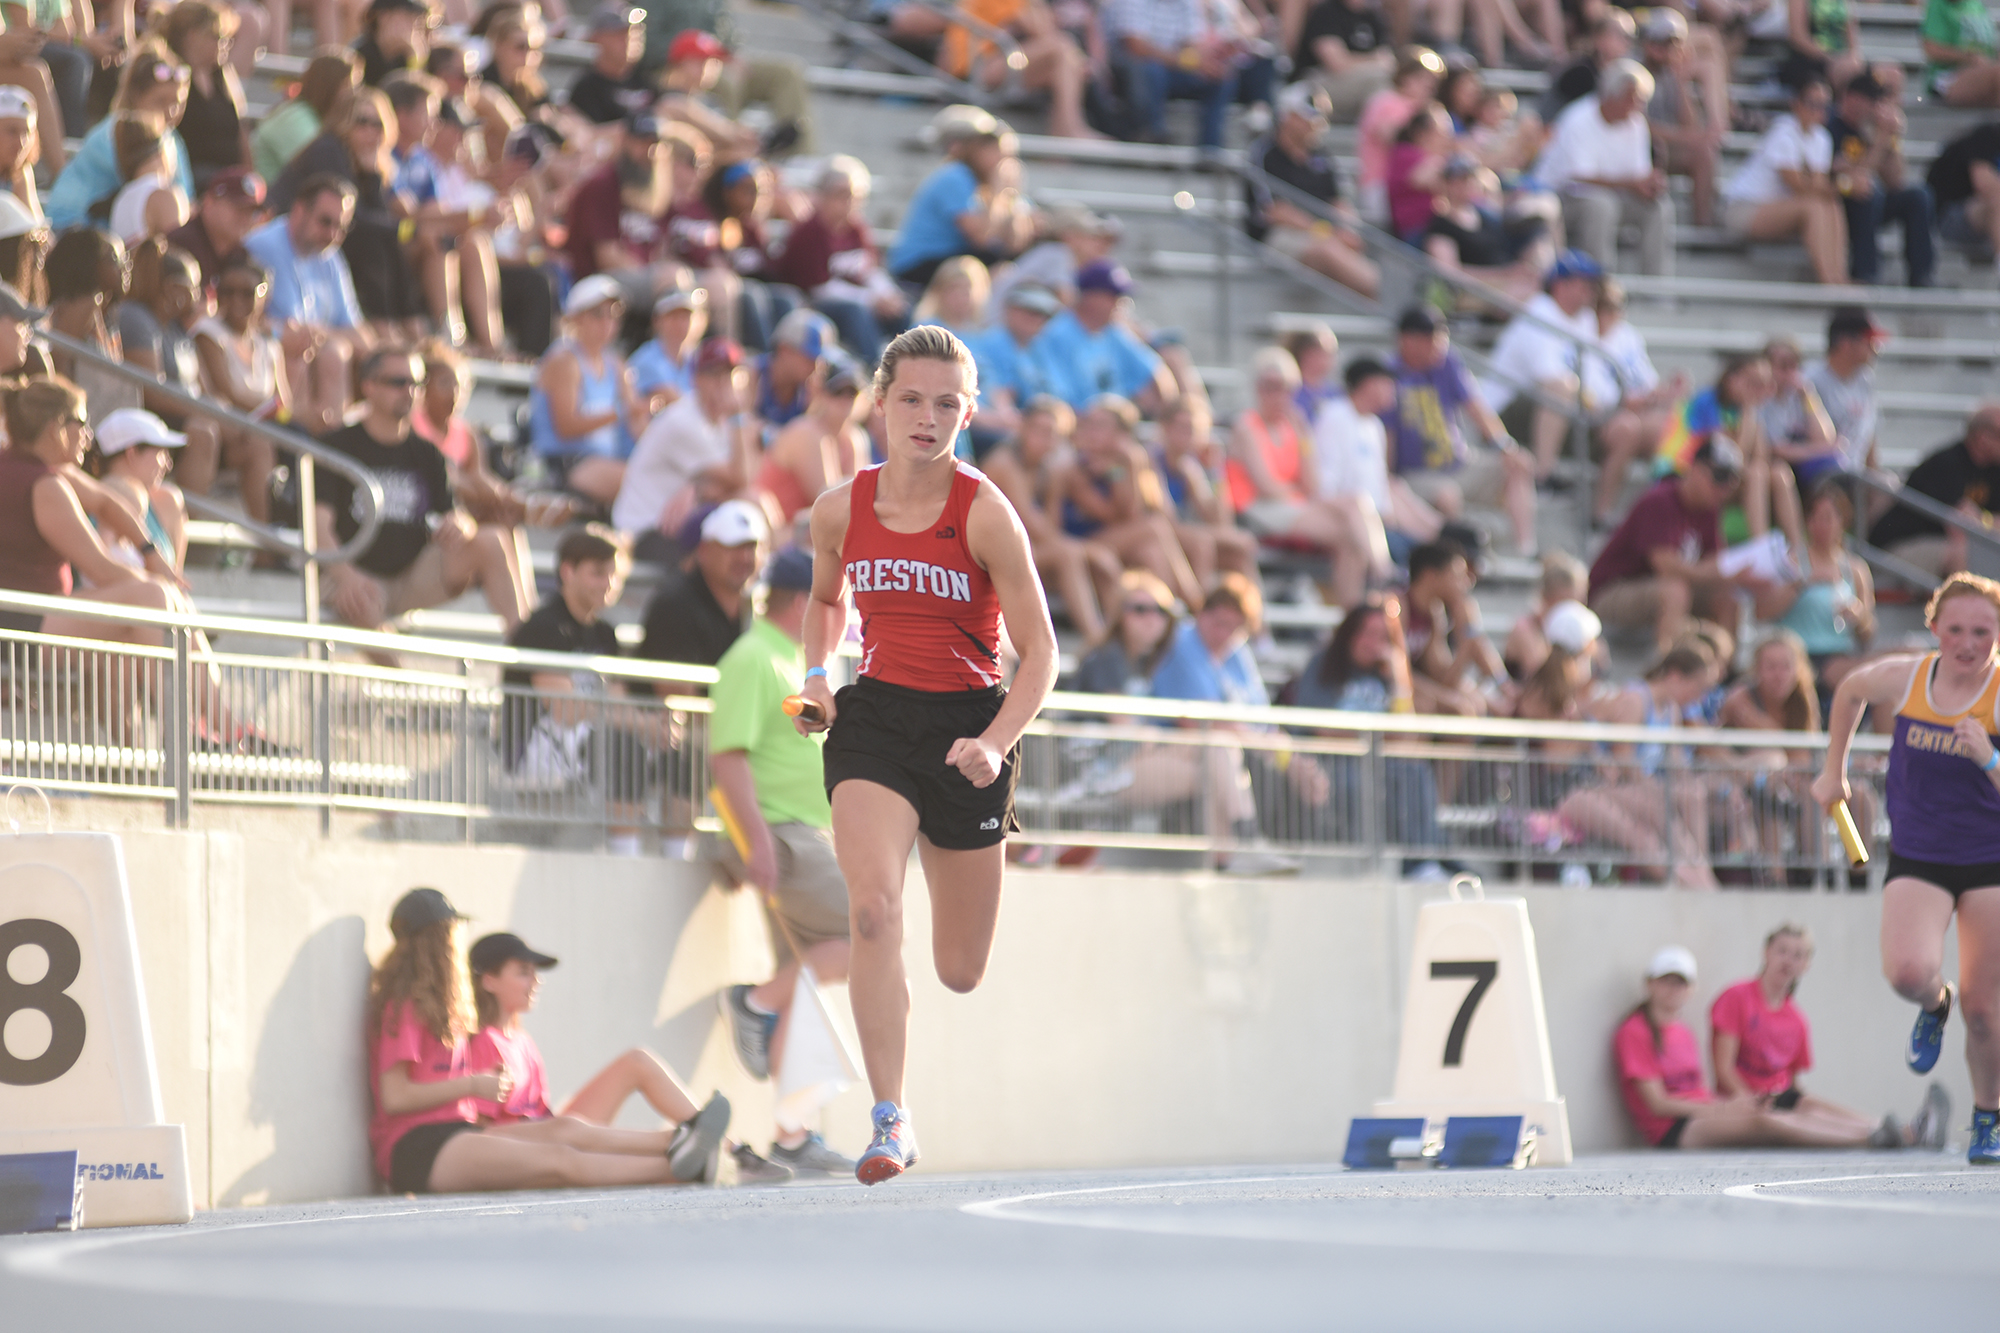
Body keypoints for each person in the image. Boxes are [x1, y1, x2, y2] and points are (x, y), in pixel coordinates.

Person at [791, 325, 1059, 1184]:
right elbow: (826, 601)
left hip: (969, 729)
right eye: (911, 398)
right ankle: (889, 1116)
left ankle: (897, 1100)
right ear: (881, 402)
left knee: (960, 968)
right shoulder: (839, 507)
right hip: (875, 722)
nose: (927, 416)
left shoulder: (984, 512)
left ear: (969, 413)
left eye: (947, 403)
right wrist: (816, 677)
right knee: (872, 910)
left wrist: (994, 741)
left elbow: (1042, 652)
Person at [365, 886, 733, 1194]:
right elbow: (396, 1096)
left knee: (567, 1130)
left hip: (457, 1133)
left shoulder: (450, 1014)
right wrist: (475, 1084)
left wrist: (479, 1085)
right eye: (450, 936)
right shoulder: (405, 1008)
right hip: (415, 1148)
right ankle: (682, 1167)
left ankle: (682, 1141)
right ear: (435, 944)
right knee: (561, 1160)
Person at [1812, 573, 2000, 1165]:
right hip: (1920, 851)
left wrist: (1989, 756)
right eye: (1956, 630)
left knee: (1986, 1010)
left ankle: (1988, 1116)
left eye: (1983, 631)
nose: (1968, 644)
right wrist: (1833, 770)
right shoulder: (1909, 676)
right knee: (1906, 972)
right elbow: (1847, 690)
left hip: (1989, 858)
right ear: (1935, 628)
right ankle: (1931, 1004)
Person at [708, 546, 859, 1178]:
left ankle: (792, 1132)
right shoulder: (753, 657)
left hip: (803, 834)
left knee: (806, 976)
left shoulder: (789, 658)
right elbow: (728, 756)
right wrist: (758, 842)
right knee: (868, 933)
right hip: (783, 835)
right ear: (804, 601)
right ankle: (752, 1002)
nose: (846, 609)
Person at [465, 928, 792, 1184]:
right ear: (490, 981)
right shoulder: (478, 1041)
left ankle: (718, 1145)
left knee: (637, 1061)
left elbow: (541, 1111)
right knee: (575, 1132)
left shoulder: (522, 1041)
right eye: (523, 971)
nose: (536, 980)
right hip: (526, 1148)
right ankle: (718, 1155)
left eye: (535, 971)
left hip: (553, 1130)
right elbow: (480, 1129)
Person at [315, 347, 531, 636]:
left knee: (492, 540)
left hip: (409, 573)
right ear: (368, 386)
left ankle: (526, 654)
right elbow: (317, 527)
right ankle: (404, 679)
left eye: (416, 384)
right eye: (397, 382)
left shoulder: (428, 453)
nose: (409, 391)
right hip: (351, 572)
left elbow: (454, 516)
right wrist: (347, 577)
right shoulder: (336, 446)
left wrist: (460, 525)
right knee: (359, 603)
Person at [1616, 946, 1904, 1148]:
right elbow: (1657, 1104)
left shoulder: (1682, 1030)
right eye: (1666, 981)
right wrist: (1722, 1108)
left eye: (1680, 983)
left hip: (1703, 1111)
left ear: (1691, 989)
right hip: (1673, 1128)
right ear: (1649, 984)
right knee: (1766, 1121)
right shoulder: (1635, 1031)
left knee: (1795, 1102)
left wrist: (1724, 1106)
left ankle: (1880, 1127)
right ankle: (1868, 1138)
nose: (1673, 989)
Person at [1149, 571, 1328, 870]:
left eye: (1235, 628)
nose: (1224, 634)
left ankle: (1228, 862)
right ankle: (1247, 841)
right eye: (1219, 623)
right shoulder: (1183, 642)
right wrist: (1282, 756)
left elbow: (1263, 723)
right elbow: (1198, 722)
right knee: (1221, 747)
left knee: (1231, 758)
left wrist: (1294, 759)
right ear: (1202, 615)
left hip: (1221, 764)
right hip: (1162, 754)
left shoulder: (1237, 653)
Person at [1714, 923, 1947, 1146]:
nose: (1788, 960)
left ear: (1806, 964)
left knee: (1808, 1105)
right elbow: (1723, 1069)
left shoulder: (1796, 1019)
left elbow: (1793, 1084)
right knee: (1798, 1113)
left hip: (1779, 1099)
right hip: (1745, 1103)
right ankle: (1891, 1135)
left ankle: (1898, 1130)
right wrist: (1749, 1102)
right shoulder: (1737, 997)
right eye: (1782, 951)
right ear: (1766, 952)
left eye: (1798, 955)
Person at [1290, 594, 1449, 877]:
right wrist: (1376, 736)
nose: (1372, 643)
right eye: (1366, 633)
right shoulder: (1324, 665)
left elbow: (1405, 735)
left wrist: (1399, 675)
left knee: (1416, 773)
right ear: (1350, 633)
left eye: (1381, 636)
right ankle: (1366, 865)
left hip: (1376, 759)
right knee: (1356, 784)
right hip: (1331, 762)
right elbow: (1321, 727)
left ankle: (1422, 863)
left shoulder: (1384, 675)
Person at [1229, 345, 1387, 608]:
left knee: (1355, 514)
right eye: (1271, 386)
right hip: (1259, 509)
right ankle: (1382, 574)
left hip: (1290, 504)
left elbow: (1311, 482)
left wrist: (1305, 437)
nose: (1278, 395)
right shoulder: (1247, 426)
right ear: (1257, 388)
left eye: (1286, 388)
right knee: (1352, 529)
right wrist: (1304, 498)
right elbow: (1266, 487)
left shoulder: (1292, 426)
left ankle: (1355, 606)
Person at [1381, 303, 1536, 557]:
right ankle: (1461, 559)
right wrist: (1386, 478)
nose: (1439, 345)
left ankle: (1525, 552)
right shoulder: (1388, 374)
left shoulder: (1447, 363)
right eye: (1431, 339)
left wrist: (1503, 445)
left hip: (1458, 461)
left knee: (1520, 463)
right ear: (1408, 340)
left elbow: (1477, 409)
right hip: (1415, 473)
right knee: (1447, 495)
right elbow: (1386, 434)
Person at [982, 395, 1120, 642]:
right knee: (1071, 554)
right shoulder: (1004, 463)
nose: (1046, 439)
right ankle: (1096, 639)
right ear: (1023, 429)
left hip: (1026, 552)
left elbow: (1052, 525)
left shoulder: (1047, 468)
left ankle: (1118, 640)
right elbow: (1033, 527)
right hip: (993, 554)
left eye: (1053, 433)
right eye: (1040, 430)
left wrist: (1056, 484)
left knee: (1100, 565)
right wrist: (1087, 550)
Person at [1588, 436, 1745, 654]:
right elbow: (1665, 565)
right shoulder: (1660, 500)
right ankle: (1667, 669)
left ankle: (1723, 674)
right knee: (1675, 591)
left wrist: (1724, 573)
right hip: (1610, 592)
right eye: (1718, 478)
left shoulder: (1710, 510)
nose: (1723, 489)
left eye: (1730, 483)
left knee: (1727, 597)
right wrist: (1711, 572)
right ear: (1695, 469)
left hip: (1656, 589)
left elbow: (1717, 560)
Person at [1052, 394, 1206, 611]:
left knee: (1151, 551)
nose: (1091, 432)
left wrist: (1127, 465)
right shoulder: (1075, 468)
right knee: (1153, 528)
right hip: (1082, 541)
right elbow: (1115, 516)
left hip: (1114, 540)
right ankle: (1194, 604)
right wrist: (1120, 471)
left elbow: (1146, 509)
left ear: (1120, 435)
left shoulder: (1118, 464)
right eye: (1090, 424)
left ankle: (1166, 613)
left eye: (1101, 426)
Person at [242, 173, 366, 435]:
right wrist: (283, 333)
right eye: (325, 222)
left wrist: (316, 334)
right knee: (307, 351)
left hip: (312, 362)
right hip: (270, 361)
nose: (333, 234)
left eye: (342, 228)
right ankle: (299, 443)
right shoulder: (261, 247)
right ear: (298, 210)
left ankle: (333, 444)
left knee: (335, 351)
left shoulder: (331, 256)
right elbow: (242, 318)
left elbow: (357, 334)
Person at [616, 338, 756, 559]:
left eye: (729, 375)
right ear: (696, 378)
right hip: (645, 532)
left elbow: (748, 474)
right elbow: (741, 478)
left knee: (751, 505)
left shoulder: (720, 421)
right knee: (747, 503)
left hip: (671, 525)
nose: (723, 383)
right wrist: (738, 416)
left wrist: (699, 488)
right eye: (713, 375)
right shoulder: (684, 420)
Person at [1537, 59, 1674, 277]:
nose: (1638, 105)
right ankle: (1602, 284)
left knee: (1658, 207)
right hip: (1561, 198)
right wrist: (1633, 184)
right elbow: (1579, 178)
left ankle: (1657, 289)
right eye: (1633, 98)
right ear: (1612, 94)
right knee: (1601, 205)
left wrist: (1651, 184)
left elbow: (1638, 174)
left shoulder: (1636, 123)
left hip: (1612, 195)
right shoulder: (1578, 119)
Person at [1244, 81, 1379, 300]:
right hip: (1276, 238)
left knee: (1338, 248)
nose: (1317, 124)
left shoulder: (1322, 156)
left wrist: (1348, 231)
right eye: (1308, 117)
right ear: (1288, 116)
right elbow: (1274, 211)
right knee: (1326, 249)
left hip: (1322, 236)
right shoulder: (1264, 153)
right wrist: (1326, 231)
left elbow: (1339, 202)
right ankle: (1385, 296)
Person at [768, 155, 906, 364]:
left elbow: (870, 270)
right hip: (813, 303)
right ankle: (874, 369)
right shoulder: (809, 232)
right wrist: (871, 299)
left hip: (855, 297)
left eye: (854, 196)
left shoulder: (856, 229)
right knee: (856, 312)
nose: (848, 203)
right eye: (841, 195)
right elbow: (820, 287)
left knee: (902, 309)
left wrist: (888, 295)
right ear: (822, 196)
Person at [528, 274, 647, 512]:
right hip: (564, 464)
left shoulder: (616, 364)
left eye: (613, 315)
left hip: (602, 462)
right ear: (576, 318)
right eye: (597, 314)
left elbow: (635, 423)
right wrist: (622, 412)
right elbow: (566, 427)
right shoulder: (564, 361)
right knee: (641, 482)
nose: (607, 323)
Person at [1722, 79, 1849, 288]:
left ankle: (1838, 276)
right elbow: (1797, 185)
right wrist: (1846, 185)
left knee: (1830, 204)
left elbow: (1817, 186)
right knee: (1814, 207)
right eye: (1813, 104)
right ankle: (1828, 281)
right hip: (1743, 208)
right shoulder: (1783, 131)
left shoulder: (1821, 138)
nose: (1819, 111)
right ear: (1796, 104)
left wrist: (1838, 186)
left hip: (1771, 209)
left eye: (1824, 105)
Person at [186, 259, 285, 526]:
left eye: (246, 292)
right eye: (226, 291)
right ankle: (267, 548)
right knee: (260, 446)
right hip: (227, 431)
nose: (235, 299)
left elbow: (283, 400)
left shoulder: (269, 344)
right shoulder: (208, 334)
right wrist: (271, 410)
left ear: (264, 294)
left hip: (254, 430)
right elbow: (225, 391)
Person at [1314, 354, 1441, 557]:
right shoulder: (1336, 417)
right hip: (1350, 520)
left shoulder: (1374, 425)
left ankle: (1445, 537)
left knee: (1428, 550)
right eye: (1388, 383)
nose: (1394, 390)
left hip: (1377, 523)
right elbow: (1327, 483)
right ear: (1370, 385)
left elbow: (1379, 484)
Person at [885, 119, 1033, 292]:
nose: (1002, 161)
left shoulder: (982, 184)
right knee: (995, 265)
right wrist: (998, 191)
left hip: (949, 256)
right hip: (918, 263)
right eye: (995, 151)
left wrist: (1011, 196)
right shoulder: (956, 176)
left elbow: (1015, 244)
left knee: (1010, 262)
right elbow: (981, 238)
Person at [1825, 73, 1932, 290]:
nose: (1876, 108)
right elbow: (1853, 175)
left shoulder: (1869, 129)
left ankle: (1922, 276)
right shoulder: (1830, 126)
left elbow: (1896, 180)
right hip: (1837, 200)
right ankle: (1866, 272)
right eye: (1872, 101)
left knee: (1917, 196)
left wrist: (1891, 139)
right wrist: (1880, 141)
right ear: (1853, 98)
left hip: (1869, 199)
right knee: (1867, 191)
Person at [1869, 405, 2000, 579]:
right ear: (1983, 437)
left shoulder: (1993, 470)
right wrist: (1989, 521)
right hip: (1899, 545)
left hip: (1942, 544)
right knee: (1964, 555)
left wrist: (1981, 520)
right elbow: (1961, 529)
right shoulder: (1948, 464)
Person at [635, 498, 765, 668]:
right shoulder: (674, 605)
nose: (744, 558)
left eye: (751, 547)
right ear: (704, 551)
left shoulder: (761, 604)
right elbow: (675, 690)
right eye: (733, 547)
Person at [1035, 259, 1175, 414]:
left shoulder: (1113, 331)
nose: (1121, 303)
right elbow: (1061, 403)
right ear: (1091, 297)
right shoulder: (1056, 335)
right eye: (1114, 296)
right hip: (1080, 426)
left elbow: (1157, 374)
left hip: (1114, 425)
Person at [1104, 0, 1242, 150]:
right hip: (1131, 71)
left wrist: (1208, 61)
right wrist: (1182, 60)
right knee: (1152, 70)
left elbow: (1192, 45)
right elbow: (1136, 47)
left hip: (1172, 69)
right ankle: (1153, 136)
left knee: (1220, 77)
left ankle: (1210, 150)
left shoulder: (1186, 3)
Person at [761, 358, 866, 528]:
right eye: (837, 392)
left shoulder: (853, 437)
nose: (845, 401)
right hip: (782, 530)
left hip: (809, 529)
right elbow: (829, 501)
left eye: (852, 393)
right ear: (821, 393)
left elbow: (858, 500)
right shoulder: (806, 432)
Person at [163, 0, 249, 192]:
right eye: (217, 37)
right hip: (190, 177)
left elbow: (241, 131)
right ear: (193, 36)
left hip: (228, 175)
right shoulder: (170, 75)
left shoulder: (223, 76)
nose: (224, 44)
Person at [1803, 306, 1885, 489]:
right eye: (1869, 341)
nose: (1876, 348)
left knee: (1889, 489)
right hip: (1822, 477)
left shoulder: (1865, 380)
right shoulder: (1810, 380)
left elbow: (1868, 435)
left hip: (1855, 478)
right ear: (1846, 343)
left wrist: (1875, 475)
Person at [251, 48, 360, 186]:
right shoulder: (296, 117)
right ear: (328, 86)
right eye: (348, 86)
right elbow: (323, 174)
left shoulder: (312, 117)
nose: (354, 94)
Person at [166, 166, 266, 294]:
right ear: (208, 202)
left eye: (251, 212)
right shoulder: (180, 244)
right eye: (237, 207)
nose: (244, 218)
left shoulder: (239, 254)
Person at [1292, 0, 1394, 121]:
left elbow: (1389, 61)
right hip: (1319, 82)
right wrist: (1372, 59)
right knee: (1378, 78)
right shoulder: (1326, 11)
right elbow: (1336, 64)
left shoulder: (1373, 16)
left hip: (1359, 83)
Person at [1926, 117, 2000, 265]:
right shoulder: (1987, 135)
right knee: (1997, 201)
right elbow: (1984, 185)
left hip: (1983, 218)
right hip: (1950, 215)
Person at [563, 4, 650, 125]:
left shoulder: (645, 78)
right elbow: (591, 135)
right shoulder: (587, 88)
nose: (629, 40)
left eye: (634, 33)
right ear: (598, 38)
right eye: (620, 34)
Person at [628, 286, 706, 412]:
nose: (680, 324)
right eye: (673, 317)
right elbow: (676, 402)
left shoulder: (695, 357)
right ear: (657, 321)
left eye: (685, 317)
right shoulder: (645, 360)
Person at [1920, 0, 2000, 108]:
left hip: (1981, 73)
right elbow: (1931, 49)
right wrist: (1969, 58)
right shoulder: (1939, 5)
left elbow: (1989, 47)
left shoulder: (1976, 5)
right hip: (1949, 78)